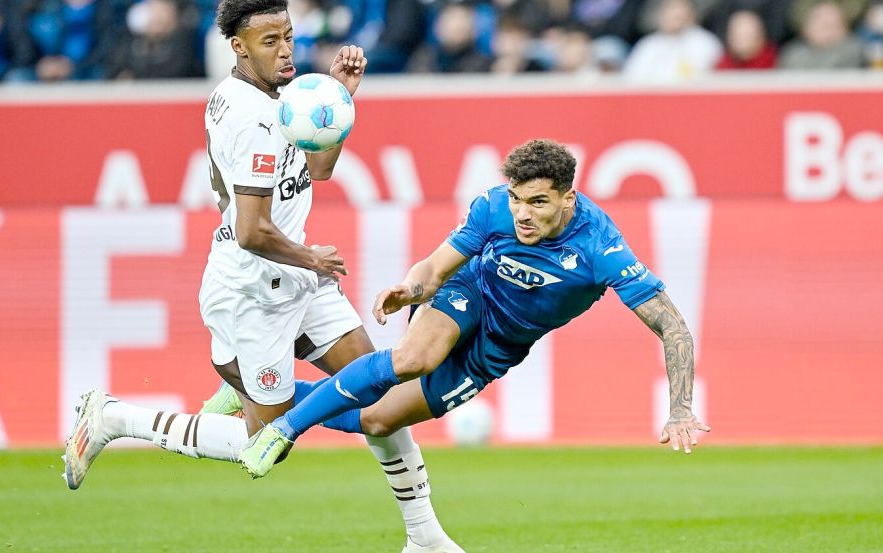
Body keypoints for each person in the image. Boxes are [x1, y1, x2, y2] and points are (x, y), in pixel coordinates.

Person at [63, 1, 463, 552]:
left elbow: (317, 168)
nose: (284, 51)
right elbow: (252, 230)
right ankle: (117, 417)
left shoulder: (282, 99)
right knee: (265, 442)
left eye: (289, 37)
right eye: (269, 40)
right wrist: (314, 260)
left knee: (381, 394)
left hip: (295, 277)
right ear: (238, 46)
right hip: (254, 290)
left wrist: (338, 102)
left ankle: (425, 538)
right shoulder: (251, 118)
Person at [240, 139, 712, 479]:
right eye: (517, 199)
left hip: (501, 346)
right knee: (412, 359)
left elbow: (673, 328)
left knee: (379, 419)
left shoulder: (600, 248)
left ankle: (260, 386)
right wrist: (411, 288)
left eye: (538, 202)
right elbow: (439, 267)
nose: (523, 213)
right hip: (470, 292)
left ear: (568, 199)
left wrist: (681, 409)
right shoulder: (493, 208)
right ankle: (282, 429)